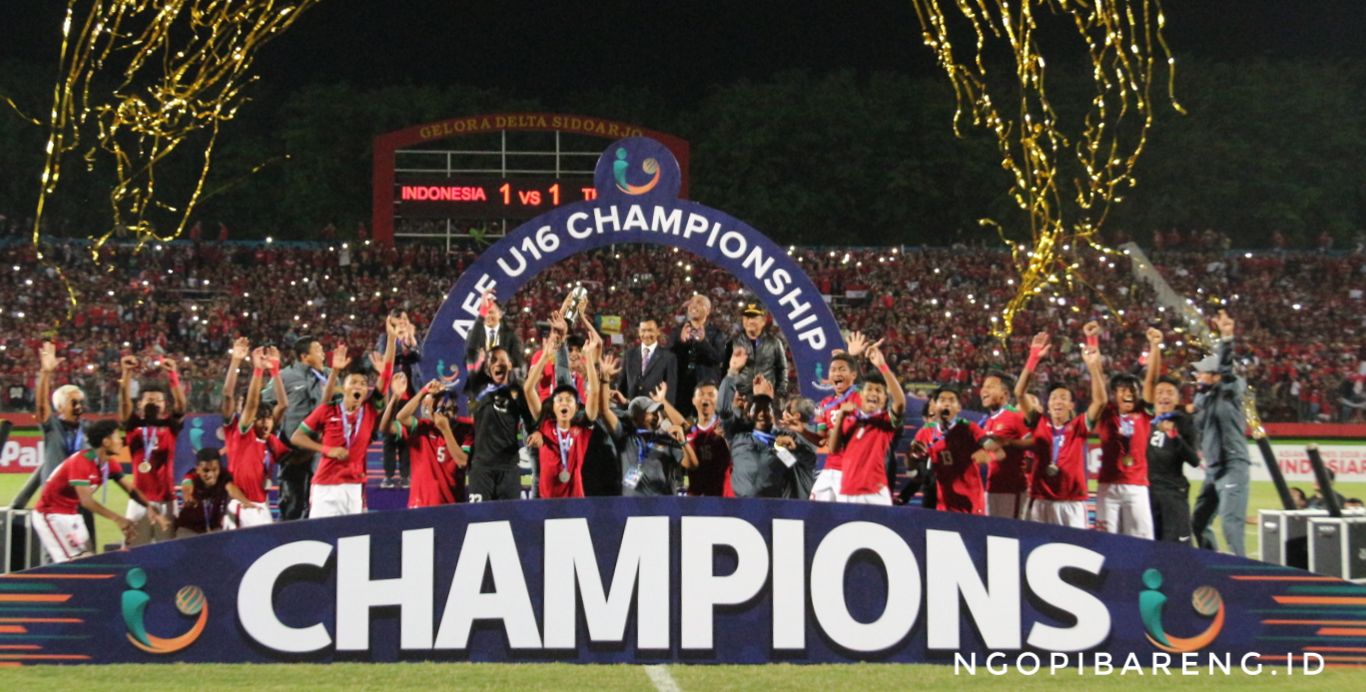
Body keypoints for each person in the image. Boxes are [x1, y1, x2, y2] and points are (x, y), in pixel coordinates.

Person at [291, 317, 399, 517]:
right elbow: (297, 437)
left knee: (351, 542)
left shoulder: (368, 410)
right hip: (325, 485)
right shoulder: (328, 410)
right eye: (354, 382)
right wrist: (326, 449)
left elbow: (386, 376)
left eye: (363, 383)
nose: (359, 386)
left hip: (354, 486)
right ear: (344, 388)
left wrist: (391, 339)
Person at [32, 420, 158, 562]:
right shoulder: (81, 462)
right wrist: (117, 519)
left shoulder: (109, 463)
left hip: (72, 514)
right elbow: (86, 501)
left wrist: (149, 507)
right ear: (106, 442)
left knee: (87, 560)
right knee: (70, 564)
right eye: (117, 437)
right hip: (50, 514)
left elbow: (131, 490)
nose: (121, 441)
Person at [1015, 332, 1105, 529]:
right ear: (1047, 406)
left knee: (1076, 552)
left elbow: (1100, 401)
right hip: (1040, 501)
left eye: (1064, 398)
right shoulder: (1038, 423)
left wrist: (1093, 368)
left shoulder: (1079, 426)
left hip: (1072, 504)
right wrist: (1033, 358)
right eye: (1054, 397)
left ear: (1072, 405)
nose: (1058, 401)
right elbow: (1019, 393)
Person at [14, 342, 93, 543]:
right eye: (73, 402)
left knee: (89, 555)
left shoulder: (87, 430)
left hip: (82, 500)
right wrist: (45, 373)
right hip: (56, 503)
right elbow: (41, 406)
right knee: (57, 558)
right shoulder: (52, 427)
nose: (79, 406)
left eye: (81, 402)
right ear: (60, 407)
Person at [1191, 310, 1253, 556]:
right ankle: (1212, 561)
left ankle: (1243, 572)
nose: (1197, 376)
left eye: (1202, 372)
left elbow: (1227, 370)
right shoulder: (1203, 397)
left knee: (1230, 523)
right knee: (1198, 521)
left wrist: (1226, 339)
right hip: (1215, 468)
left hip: (1232, 464)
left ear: (1216, 376)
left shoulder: (1229, 389)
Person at [523, 321, 604, 498]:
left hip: (574, 503)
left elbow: (595, 392)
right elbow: (528, 389)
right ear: (552, 405)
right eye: (559, 400)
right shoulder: (545, 425)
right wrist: (545, 355)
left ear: (577, 406)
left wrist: (589, 359)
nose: (564, 403)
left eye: (569, 400)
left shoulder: (582, 428)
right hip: (547, 504)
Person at [1091, 321, 1156, 539]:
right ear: (1114, 394)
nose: (1127, 393)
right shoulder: (1106, 411)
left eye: (1132, 390)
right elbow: (1098, 377)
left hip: (1137, 486)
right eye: (1121, 390)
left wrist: (1155, 347)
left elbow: (1152, 381)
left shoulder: (1144, 413)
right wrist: (1092, 340)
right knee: (1105, 539)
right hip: (1108, 485)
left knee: (1142, 540)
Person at [262, 334, 331, 520]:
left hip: (321, 451)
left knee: (319, 503)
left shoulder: (330, 376)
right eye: (318, 350)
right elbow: (264, 405)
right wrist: (273, 434)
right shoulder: (285, 376)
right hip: (293, 453)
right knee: (292, 502)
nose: (323, 354)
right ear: (304, 356)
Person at [1142, 328, 1201, 544]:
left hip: (1173, 495)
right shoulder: (1145, 417)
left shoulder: (1183, 422)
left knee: (1177, 550)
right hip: (1146, 494)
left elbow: (1194, 461)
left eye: (1169, 393)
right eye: (1160, 393)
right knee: (1149, 548)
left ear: (1177, 398)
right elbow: (1149, 382)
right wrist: (1155, 347)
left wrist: (1174, 436)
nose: (1163, 396)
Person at [829, 342, 907, 505]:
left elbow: (899, 403)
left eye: (879, 391)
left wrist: (882, 366)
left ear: (885, 398)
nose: (873, 393)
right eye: (869, 389)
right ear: (861, 395)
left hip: (875, 493)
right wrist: (841, 417)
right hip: (846, 491)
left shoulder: (886, 421)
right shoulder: (850, 418)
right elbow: (834, 449)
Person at [118, 355, 184, 546]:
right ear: (139, 404)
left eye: (158, 400)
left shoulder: (170, 426)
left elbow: (180, 406)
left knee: (170, 554)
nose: (154, 402)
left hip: (167, 502)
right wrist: (126, 373)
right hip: (138, 502)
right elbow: (124, 404)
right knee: (133, 554)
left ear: (165, 405)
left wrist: (173, 375)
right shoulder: (133, 427)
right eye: (149, 399)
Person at [907, 385, 1002, 514]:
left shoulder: (970, 429)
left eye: (951, 400)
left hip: (971, 505)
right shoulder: (926, 432)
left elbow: (998, 451)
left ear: (958, 408)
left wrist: (988, 455)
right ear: (934, 406)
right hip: (943, 506)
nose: (947, 404)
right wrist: (912, 456)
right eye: (942, 400)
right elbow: (911, 467)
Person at [719, 372, 817, 498]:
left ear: (773, 415)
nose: (762, 413)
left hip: (779, 509)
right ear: (750, 414)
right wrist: (732, 373)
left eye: (767, 409)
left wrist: (795, 448)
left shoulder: (784, 442)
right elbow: (724, 412)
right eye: (757, 409)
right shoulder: (739, 437)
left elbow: (806, 463)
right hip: (742, 508)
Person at [223, 345, 289, 528]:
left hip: (262, 504)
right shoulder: (242, 432)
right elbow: (236, 399)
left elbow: (283, 405)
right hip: (242, 505)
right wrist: (257, 370)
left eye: (267, 418)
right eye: (260, 418)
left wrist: (275, 370)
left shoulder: (268, 439)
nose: (266, 422)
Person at [600, 371, 696, 497]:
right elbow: (604, 410)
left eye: (657, 412)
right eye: (651, 412)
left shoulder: (666, 438)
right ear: (636, 417)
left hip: (662, 506)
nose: (657, 416)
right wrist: (604, 381)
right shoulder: (625, 437)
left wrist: (683, 441)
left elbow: (692, 465)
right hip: (631, 507)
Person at [464, 339, 537, 501]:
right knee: (480, 520)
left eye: (502, 360)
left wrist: (535, 433)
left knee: (509, 518)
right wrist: (481, 360)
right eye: (493, 360)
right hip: (481, 469)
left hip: (509, 468)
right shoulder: (478, 388)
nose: (498, 363)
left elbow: (531, 423)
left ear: (510, 365)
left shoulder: (517, 391)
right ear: (488, 368)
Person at [806, 334, 871, 501]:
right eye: (833, 370)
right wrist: (800, 429)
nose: (837, 373)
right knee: (814, 512)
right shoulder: (824, 404)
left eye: (842, 369)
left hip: (852, 470)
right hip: (829, 468)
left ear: (853, 375)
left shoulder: (859, 397)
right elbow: (821, 440)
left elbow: (868, 389)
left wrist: (852, 357)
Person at [392, 377, 469, 508]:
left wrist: (446, 430)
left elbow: (463, 462)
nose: (444, 414)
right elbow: (401, 417)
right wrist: (424, 391)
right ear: (432, 411)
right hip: (421, 505)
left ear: (456, 410)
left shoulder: (466, 430)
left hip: (452, 504)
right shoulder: (423, 427)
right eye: (440, 410)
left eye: (449, 409)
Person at [979, 369, 1033, 519]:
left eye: (990, 386)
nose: (984, 390)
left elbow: (1034, 442)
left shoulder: (1015, 416)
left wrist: (1008, 443)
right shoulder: (989, 421)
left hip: (1012, 490)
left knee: (1010, 535)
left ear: (1005, 394)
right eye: (984, 386)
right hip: (992, 488)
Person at [175, 449, 257, 537]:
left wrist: (247, 502)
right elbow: (187, 486)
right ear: (197, 469)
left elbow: (231, 488)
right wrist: (188, 497)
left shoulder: (224, 475)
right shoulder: (191, 476)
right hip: (189, 529)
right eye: (206, 470)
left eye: (214, 470)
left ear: (219, 467)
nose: (211, 475)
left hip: (213, 529)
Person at [670, 294, 728, 417]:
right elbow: (669, 359)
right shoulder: (677, 331)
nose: (694, 305)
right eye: (692, 302)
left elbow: (718, 358)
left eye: (699, 302)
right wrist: (681, 342)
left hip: (705, 389)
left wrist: (703, 342)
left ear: (708, 310)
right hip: (681, 389)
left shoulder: (717, 334)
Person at [727, 303, 788, 398]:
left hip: (766, 396)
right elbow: (726, 370)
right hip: (741, 396)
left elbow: (782, 368)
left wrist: (780, 392)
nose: (750, 321)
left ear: (763, 321)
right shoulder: (733, 343)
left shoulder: (774, 343)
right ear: (742, 320)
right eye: (747, 317)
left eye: (754, 318)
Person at [683, 379, 732, 496]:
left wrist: (727, 439)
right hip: (696, 500)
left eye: (711, 395)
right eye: (701, 394)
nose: (706, 399)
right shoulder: (687, 433)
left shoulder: (727, 429)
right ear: (693, 401)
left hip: (722, 500)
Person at [615, 317, 678, 406]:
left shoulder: (668, 357)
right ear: (638, 331)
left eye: (650, 330)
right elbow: (621, 386)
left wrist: (664, 414)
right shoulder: (629, 355)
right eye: (643, 330)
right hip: (629, 411)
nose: (646, 334)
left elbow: (670, 393)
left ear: (658, 331)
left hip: (655, 413)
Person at [464, 289, 524, 373]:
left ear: (500, 314)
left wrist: (502, 362)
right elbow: (465, 361)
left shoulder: (511, 337)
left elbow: (518, 362)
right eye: (486, 313)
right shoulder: (472, 334)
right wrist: (479, 360)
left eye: (491, 312)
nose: (488, 316)